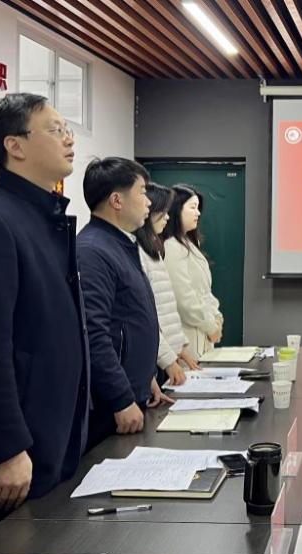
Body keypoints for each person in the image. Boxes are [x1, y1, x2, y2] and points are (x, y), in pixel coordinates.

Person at [0, 93, 90, 540]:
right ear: (15, 146)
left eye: (68, 130)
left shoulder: (43, 217)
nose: (69, 140)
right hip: (16, 455)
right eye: (56, 130)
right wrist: (5, 448)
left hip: (52, 438)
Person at [79, 157, 173, 448]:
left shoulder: (120, 244)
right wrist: (120, 397)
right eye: (142, 192)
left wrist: (146, 378)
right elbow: (94, 334)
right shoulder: (93, 251)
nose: (149, 201)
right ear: (117, 200)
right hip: (111, 407)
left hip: (134, 394)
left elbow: (129, 319)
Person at [134, 182, 200, 387]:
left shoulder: (154, 249)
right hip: (156, 358)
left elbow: (166, 310)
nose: (167, 217)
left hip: (165, 355)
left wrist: (180, 348)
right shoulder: (138, 251)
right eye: (162, 212)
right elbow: (148, 317)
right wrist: (168, 359)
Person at [162, 184, 223, 360]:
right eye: (192, 207)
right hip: (188, 338)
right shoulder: (171, 247)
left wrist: (217, 318)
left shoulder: (189, 244)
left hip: (203, 335)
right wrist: (211, 326)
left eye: (198, 208)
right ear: (176, 210)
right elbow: (184, 300)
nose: (198, 213)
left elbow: (205, 292)